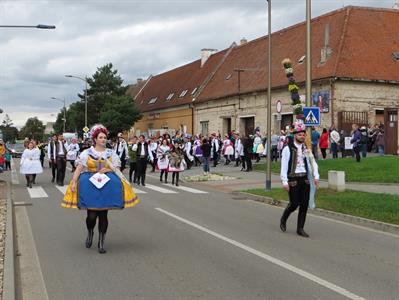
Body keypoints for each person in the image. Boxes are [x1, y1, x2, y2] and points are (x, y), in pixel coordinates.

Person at [62, 124, 139, 254]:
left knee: (103, 215)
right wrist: (74, 181)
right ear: (95, 139)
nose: (104, 139)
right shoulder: (86, 153)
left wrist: (108, 169)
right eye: (101, 137)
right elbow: (79, 168)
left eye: (105, 137)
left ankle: (101, 242)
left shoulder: (111, 153)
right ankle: (90, 232)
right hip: (90, 185)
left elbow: (117, 169)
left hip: (106, 186)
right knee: (91, 216)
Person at [280, 120, 319, 238]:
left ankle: (300, 228)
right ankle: (284, 218)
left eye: (303, 135)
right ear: (295, 135)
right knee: (294, 203)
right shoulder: (288, 149)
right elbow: (284, 165)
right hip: (293, 179)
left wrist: (316, 176)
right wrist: (284, 181)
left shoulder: (306, 148)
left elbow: (313, 162)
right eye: (299, 135)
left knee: (304, 204)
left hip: (305, 178)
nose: (302, 137)